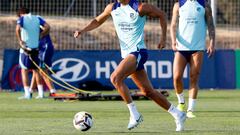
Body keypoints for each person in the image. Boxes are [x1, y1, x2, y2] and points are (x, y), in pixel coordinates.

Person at [74, 0, 186, 131]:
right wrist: (83, 30)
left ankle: (135, 115)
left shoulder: (140, 7)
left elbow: (162, 14)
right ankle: (178, 114)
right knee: (148, 92)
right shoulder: (112, 8)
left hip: (138, 52)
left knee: (115, 78)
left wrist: (163, 38)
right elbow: (97, 20)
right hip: (127, 55)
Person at [170, 0, 215, 118]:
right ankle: (181, 102)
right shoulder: (178, 5)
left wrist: (212, 43)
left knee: (194, 77)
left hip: (198, 48)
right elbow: (173, 24)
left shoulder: (204, 5)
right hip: (181, 47)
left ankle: (190, 110)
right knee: (176, 77)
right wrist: (173, 41)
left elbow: (210, 25)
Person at [15, 7, 46, 99]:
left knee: (24, 70)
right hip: (36, 49)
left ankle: (27, 94)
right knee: (36, 71)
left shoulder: (22, 19)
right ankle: (41, 93)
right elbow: (47, 27)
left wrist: (20, 40)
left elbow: (17, 29)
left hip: (26, 49)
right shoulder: (37, 18)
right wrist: (41, 35)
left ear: (21, 13)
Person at [29, 19, 56, 99]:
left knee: (42, 70)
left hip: (44, 48)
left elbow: (47, 27)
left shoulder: (36, 21)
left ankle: (52, 92)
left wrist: (40, 35)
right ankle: (30, 91)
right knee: (36, 70)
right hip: (40, 48)